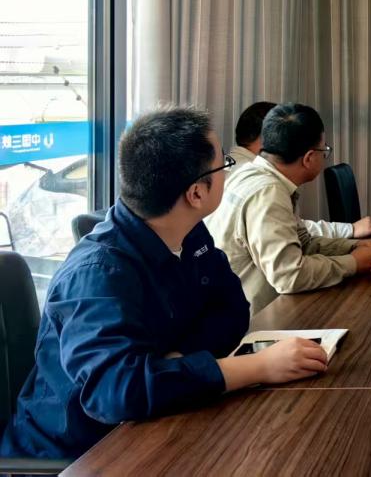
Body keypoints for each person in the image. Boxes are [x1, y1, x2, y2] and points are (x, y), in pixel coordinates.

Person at [0, 106, 331, 461]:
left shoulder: (189, 232)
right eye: (223, 164)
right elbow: (115, 393)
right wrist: (257, 367)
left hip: (157, 423)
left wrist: (168, 367)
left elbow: (233, 310)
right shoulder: (98, 273)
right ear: (196, 193)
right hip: (78, 454)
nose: (228, 172)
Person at [206, 103, 371, 313]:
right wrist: (353, 263)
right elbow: (289, 276)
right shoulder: (267, 192)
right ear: (309, 158)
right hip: (255, 322)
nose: (324, 156)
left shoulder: (253, 174)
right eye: (324, 151)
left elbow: (303, 242)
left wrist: (351, 247)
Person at [230, 100, 371, 239]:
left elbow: (292, 228)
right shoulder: (261, 184)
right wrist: (350, 235)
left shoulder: (242, 168)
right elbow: (288, 239)